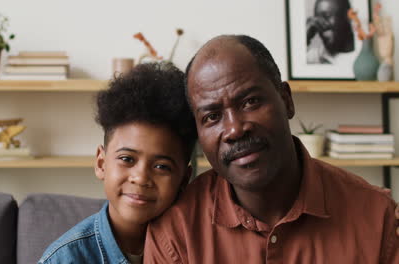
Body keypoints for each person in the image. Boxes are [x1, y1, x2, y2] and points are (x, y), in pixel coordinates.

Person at [144, 35, 398, 263]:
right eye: (212, 116)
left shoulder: (376, 217)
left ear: (286, 100)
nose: (235, 129)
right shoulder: (176, 235)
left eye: (250, 101)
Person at [38, 62, 197, 264]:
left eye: (161, 166)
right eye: (127, 159)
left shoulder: (197, 248)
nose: (140, 178)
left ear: (184, 180)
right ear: (101, 163)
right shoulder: (65, 259)